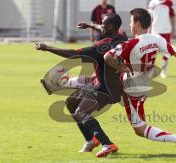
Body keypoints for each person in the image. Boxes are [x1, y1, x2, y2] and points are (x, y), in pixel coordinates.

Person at [104, 8, 176, 155]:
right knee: (101, 87)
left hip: (132, 88)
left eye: (131, 22)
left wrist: (120, 66)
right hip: (144, 84)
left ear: (138, 24)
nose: (130, 25)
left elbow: (108, 57)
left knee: (140, 129)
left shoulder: (132, 43)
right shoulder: (157, 39)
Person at [36, 13, 128, 158]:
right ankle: (91, 140)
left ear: (111, 27)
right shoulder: (122, 36)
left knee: (81, 112)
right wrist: (90, 26)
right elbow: (103, 28)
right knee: (71, 102)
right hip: (107, 84)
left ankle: (107, 144)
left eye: (103, 25)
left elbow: (73, 54)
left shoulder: (101, 47)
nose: (101, 27)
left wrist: (48, 48)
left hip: (106, 89)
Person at [148, 0, 175, 78]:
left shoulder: (169, 2)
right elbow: (150, 17)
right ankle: (152, 69)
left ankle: (164, 70)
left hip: (166, 30)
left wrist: (173, 29)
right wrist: (149, 30)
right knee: (153, 51)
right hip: (155, 30)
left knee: (166, 51)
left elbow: (172, 16)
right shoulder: (152, 2)